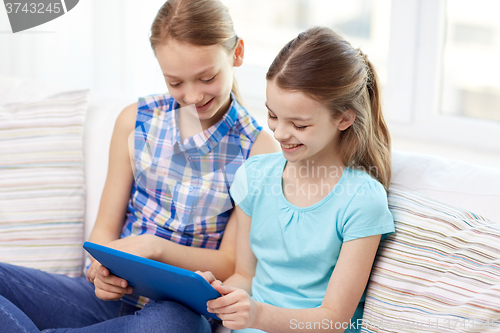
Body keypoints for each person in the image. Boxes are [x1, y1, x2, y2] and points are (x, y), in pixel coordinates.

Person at [0, 0, 277, 332]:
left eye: (206, 78)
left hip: (178, 312)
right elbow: (104, 230)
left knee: (167, 325)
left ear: (237, 54)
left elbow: (231, 261)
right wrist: (99, 270)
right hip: (105, 299)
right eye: (175, 83)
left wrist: (155, 248)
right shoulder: (134, 121)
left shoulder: (258, 149)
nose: (191, 96)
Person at [198, 27, 396, 333]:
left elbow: (334, 318)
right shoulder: (255, 176)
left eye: (299, 125)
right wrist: (220, 295)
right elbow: (245, 276)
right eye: (273, 116)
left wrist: (258, 316)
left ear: (343, 118)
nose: (279, 134)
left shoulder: (362, 199)